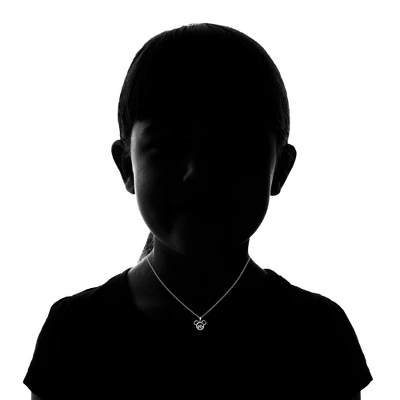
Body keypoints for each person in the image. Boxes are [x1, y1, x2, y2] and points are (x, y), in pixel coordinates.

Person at [23, 23, 373, 399]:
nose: (200, 174)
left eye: (234, 148)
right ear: (127, 167)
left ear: (280, 170)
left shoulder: (320, 334)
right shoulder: (74, 333)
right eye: (167, 146)